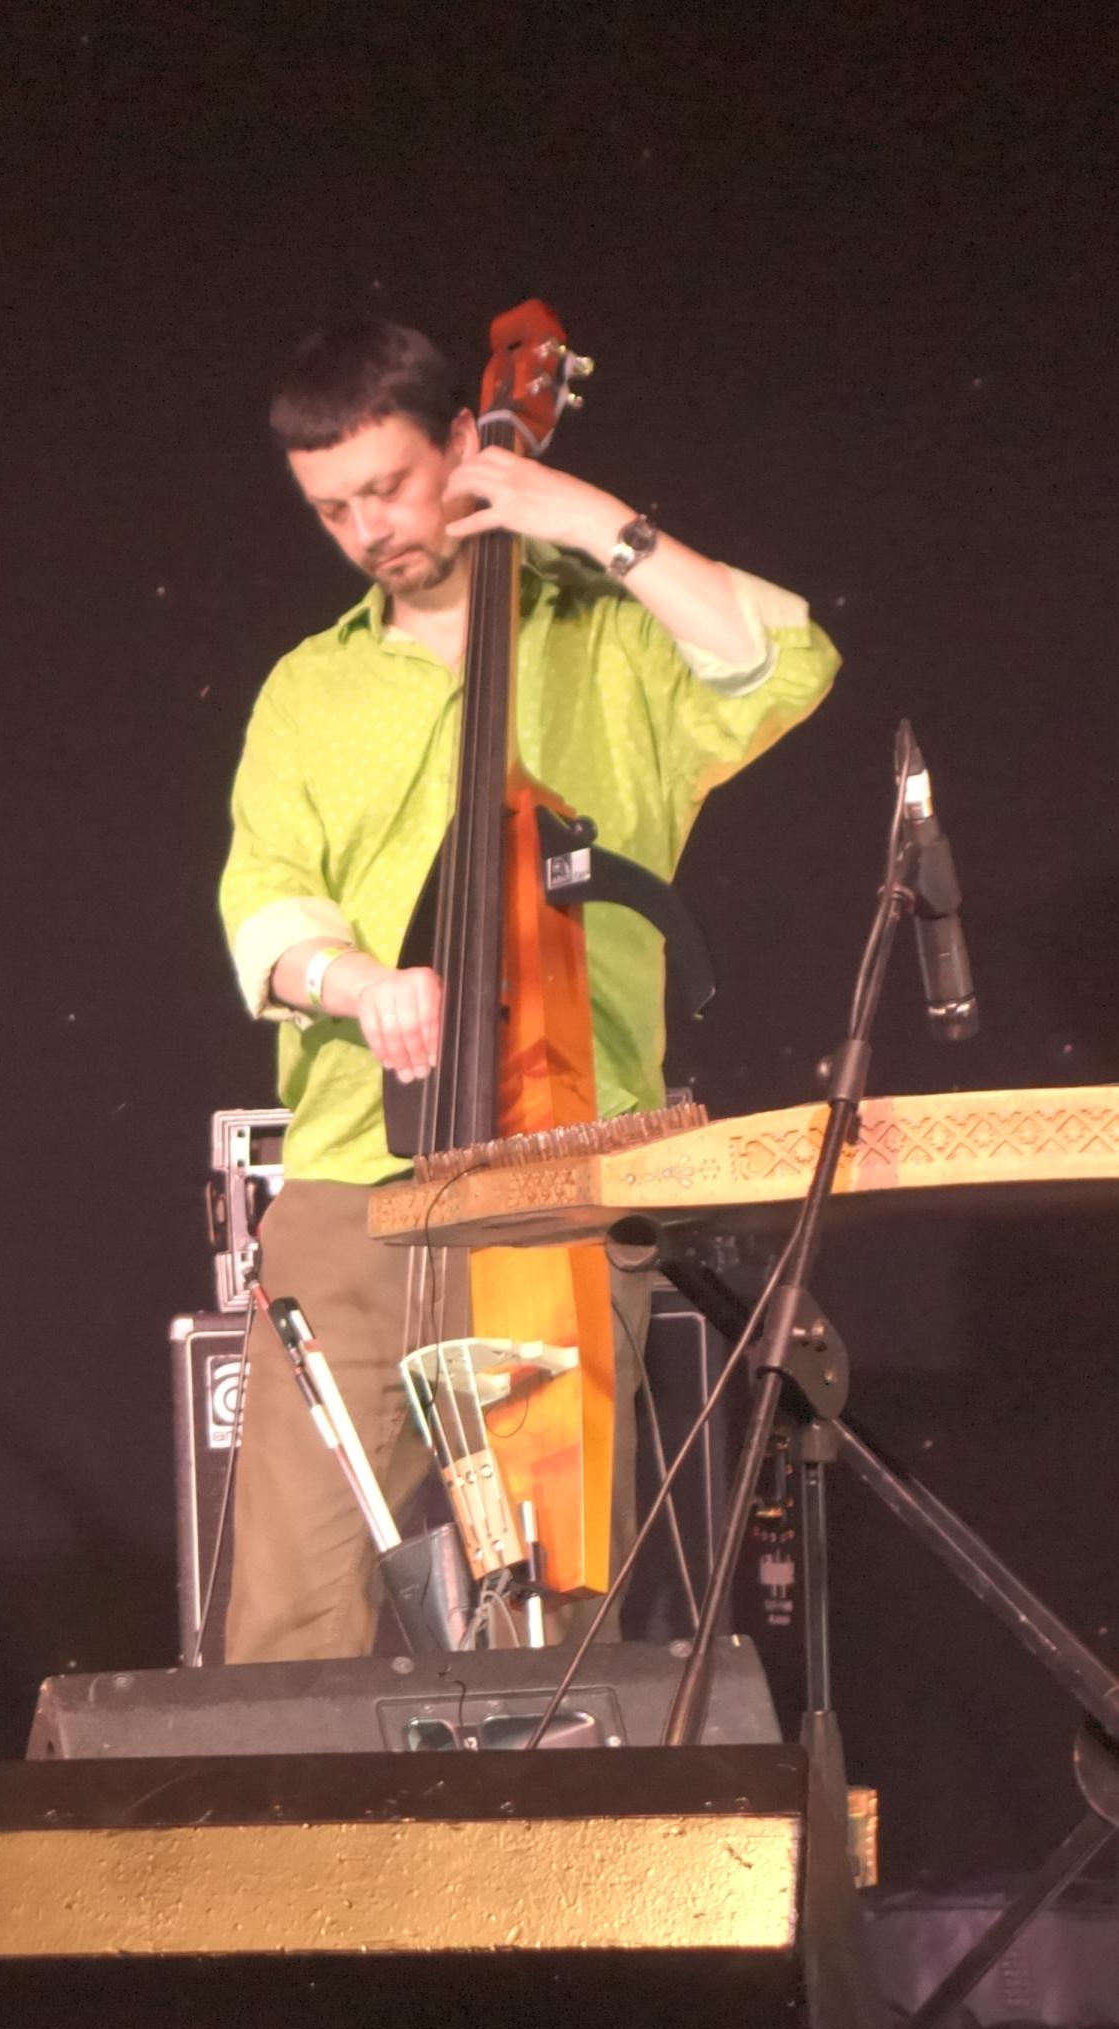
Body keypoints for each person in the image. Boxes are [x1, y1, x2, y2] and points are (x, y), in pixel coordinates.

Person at [216, 319, 840, 1663]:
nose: (367, 530)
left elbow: (782, 658)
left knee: (546, 1609)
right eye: (330, 510)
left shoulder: (614, 645)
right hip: (355, 1181)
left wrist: (585, 519)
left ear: (461, 441)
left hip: (560, 1165)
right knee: (285, 1616)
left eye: (386, 486)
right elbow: (261, 900)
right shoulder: (307, 689)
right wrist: (354, 982)